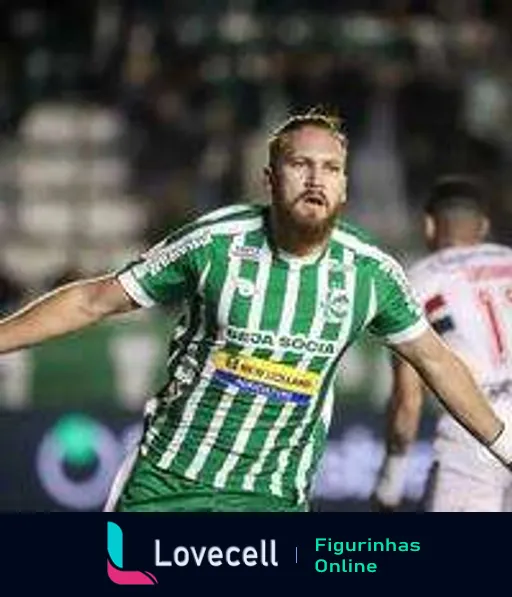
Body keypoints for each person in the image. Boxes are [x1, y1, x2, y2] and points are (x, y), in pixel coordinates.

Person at [1, 113, 511, 512]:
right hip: (168, 487)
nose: (316, 179)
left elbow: (438, 363)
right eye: (300, 164)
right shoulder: (214, 242)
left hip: (272, 500)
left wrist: (507, 448)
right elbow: (95, 299)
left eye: (331, 168)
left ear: (345, 186)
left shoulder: (372, 273)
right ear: (270, 178)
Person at [373, 176, 512, 512]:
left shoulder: (417, 281)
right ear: (484, 225)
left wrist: (390, 480)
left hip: (474, 434)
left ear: (430, 225)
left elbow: (408, 400)